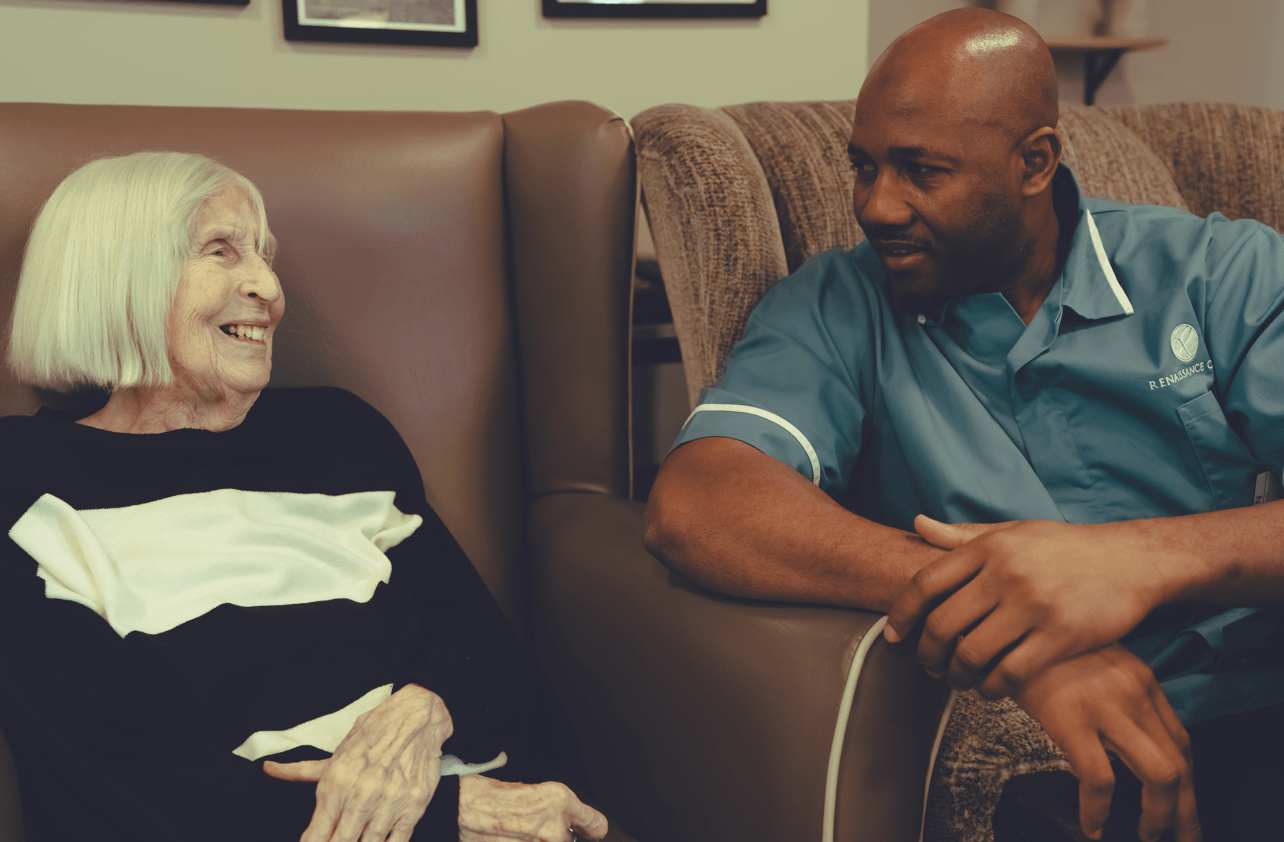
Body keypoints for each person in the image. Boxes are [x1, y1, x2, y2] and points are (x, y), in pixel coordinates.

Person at [644, 8, 1283, 842]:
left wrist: (1134, 562)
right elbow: (697, 501)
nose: (876, 206)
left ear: (1035, 163)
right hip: (1062, 753)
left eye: (920, 171)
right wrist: (1011, 618)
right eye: (863, 166)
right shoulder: (837, 306)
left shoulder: (1219, 272)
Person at [0, 151, 609, 842]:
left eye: (263, 256)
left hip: (513, 806)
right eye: (222, 251)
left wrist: (424, 710)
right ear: (117, 277)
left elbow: (490, 660)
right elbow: (116, 780)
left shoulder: (338, 435)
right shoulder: (22, 480)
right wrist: (451, 816)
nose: (266, 285)